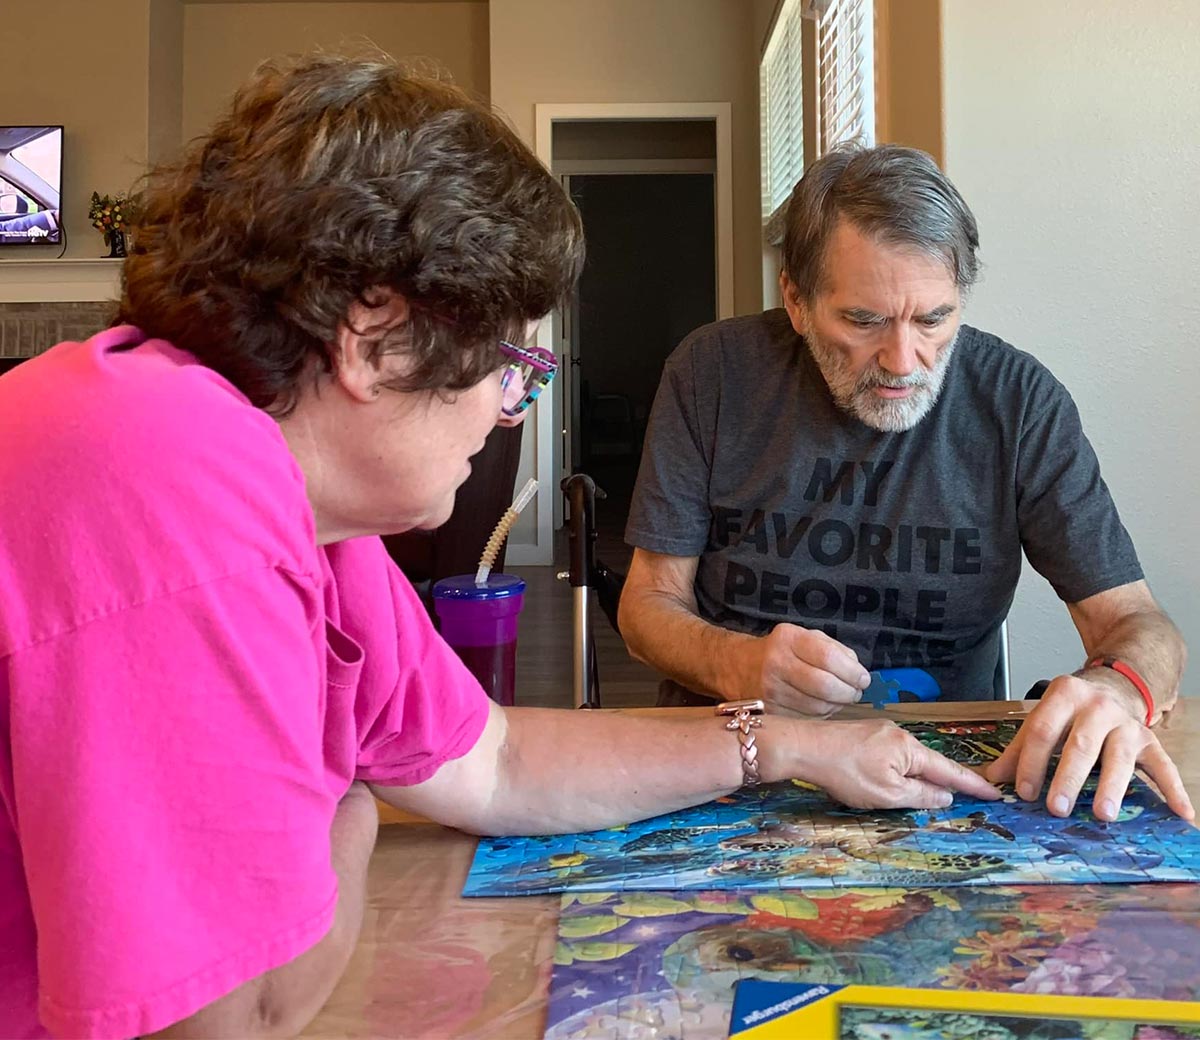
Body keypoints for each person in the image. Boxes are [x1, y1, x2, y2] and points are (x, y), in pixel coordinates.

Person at [0, 57, 999, 1040]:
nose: (517, 405)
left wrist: (782, 742)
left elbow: (495, 759)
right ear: (372, 334)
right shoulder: (168, 478)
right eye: (515, 361)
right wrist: (346, 798)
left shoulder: (314, 507)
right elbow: (241, 1014)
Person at [620, 142, 1192, 831]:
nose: (903, 361)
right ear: (796, 301)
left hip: (947, 774)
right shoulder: (712, 375)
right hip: (733, 757)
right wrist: (738, 662)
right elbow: (646, 605)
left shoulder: (1019, 402)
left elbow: (1140, 625)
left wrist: (1120, 686)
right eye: (863, 321)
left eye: (933, 320)